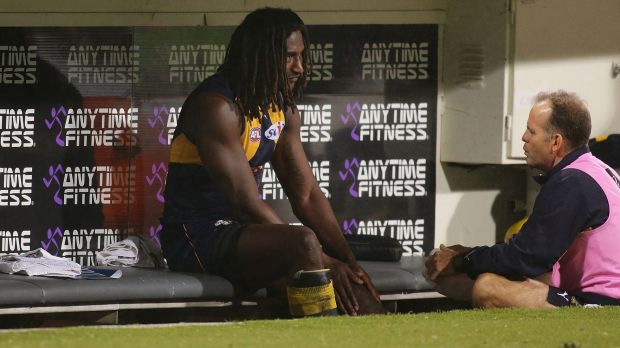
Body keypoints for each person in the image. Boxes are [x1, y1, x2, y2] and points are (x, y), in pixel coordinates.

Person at [159, 7, 383, 316]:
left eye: (302, 57)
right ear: (260, 55)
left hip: (247, 236)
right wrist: (323, 259)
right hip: (196, 237)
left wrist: (347, 260)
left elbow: (305, 195)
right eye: (290, 57)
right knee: (303, 243)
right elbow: (246, 202)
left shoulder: (282, 110)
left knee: (355, 291)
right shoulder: (216, 106)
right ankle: (323, 337)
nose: (299, 67)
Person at [426, 90, 620, 308]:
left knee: (487, 287)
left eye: (531, 131)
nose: (524, 137)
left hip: (605, 304)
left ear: (555, 142)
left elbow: (527, 259)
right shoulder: (589, 169)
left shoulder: (573, 182)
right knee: (454, 282)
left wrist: (462, 259)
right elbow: (530, 251)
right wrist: (465, 257)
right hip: (585, 291)